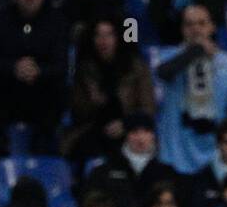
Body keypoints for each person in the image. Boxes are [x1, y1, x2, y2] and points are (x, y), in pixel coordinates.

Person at [154, 4, 227, 175]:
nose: (195, 29)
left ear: (212, 26)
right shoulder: (168, 57)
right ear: (182, 29)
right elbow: (162, 73)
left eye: (201, 23)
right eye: (189, 24)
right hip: (174, 153)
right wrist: (195, 51)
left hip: (214, 153)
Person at [0, 0, 69, 154]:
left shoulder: (58, 21)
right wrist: (14, 68)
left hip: (41, 92)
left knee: (60, 86)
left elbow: (61, 65)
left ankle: (43, 141)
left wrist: (38, 71)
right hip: (7, 92)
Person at [60, 16, 155, 171]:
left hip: (130, 129)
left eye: (109, 34)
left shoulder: (136, 66)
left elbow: (148, 107)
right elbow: (77, 112)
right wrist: (93, 101)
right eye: (98, 35)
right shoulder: (84, 69)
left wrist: (126, 124)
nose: (103, 40)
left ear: (118, 37)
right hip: (92, 129)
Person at [77, 112, 177, 207]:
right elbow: (91, 204)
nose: (141, 138)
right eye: (134, 132)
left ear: (153, 135)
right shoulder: (105, 170)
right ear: (126, 135)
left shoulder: (166, 172)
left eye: (146, 131)